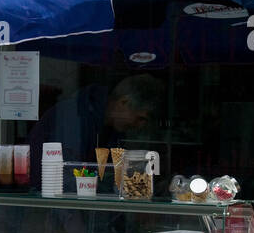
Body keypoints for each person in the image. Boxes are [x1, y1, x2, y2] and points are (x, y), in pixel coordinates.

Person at [27, 74, 165, 186]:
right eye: (140, 118)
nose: (140, 125)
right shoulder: (75, 116)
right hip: (46, 203)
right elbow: (66, 178)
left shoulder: (111, 128)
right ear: (124, 102)